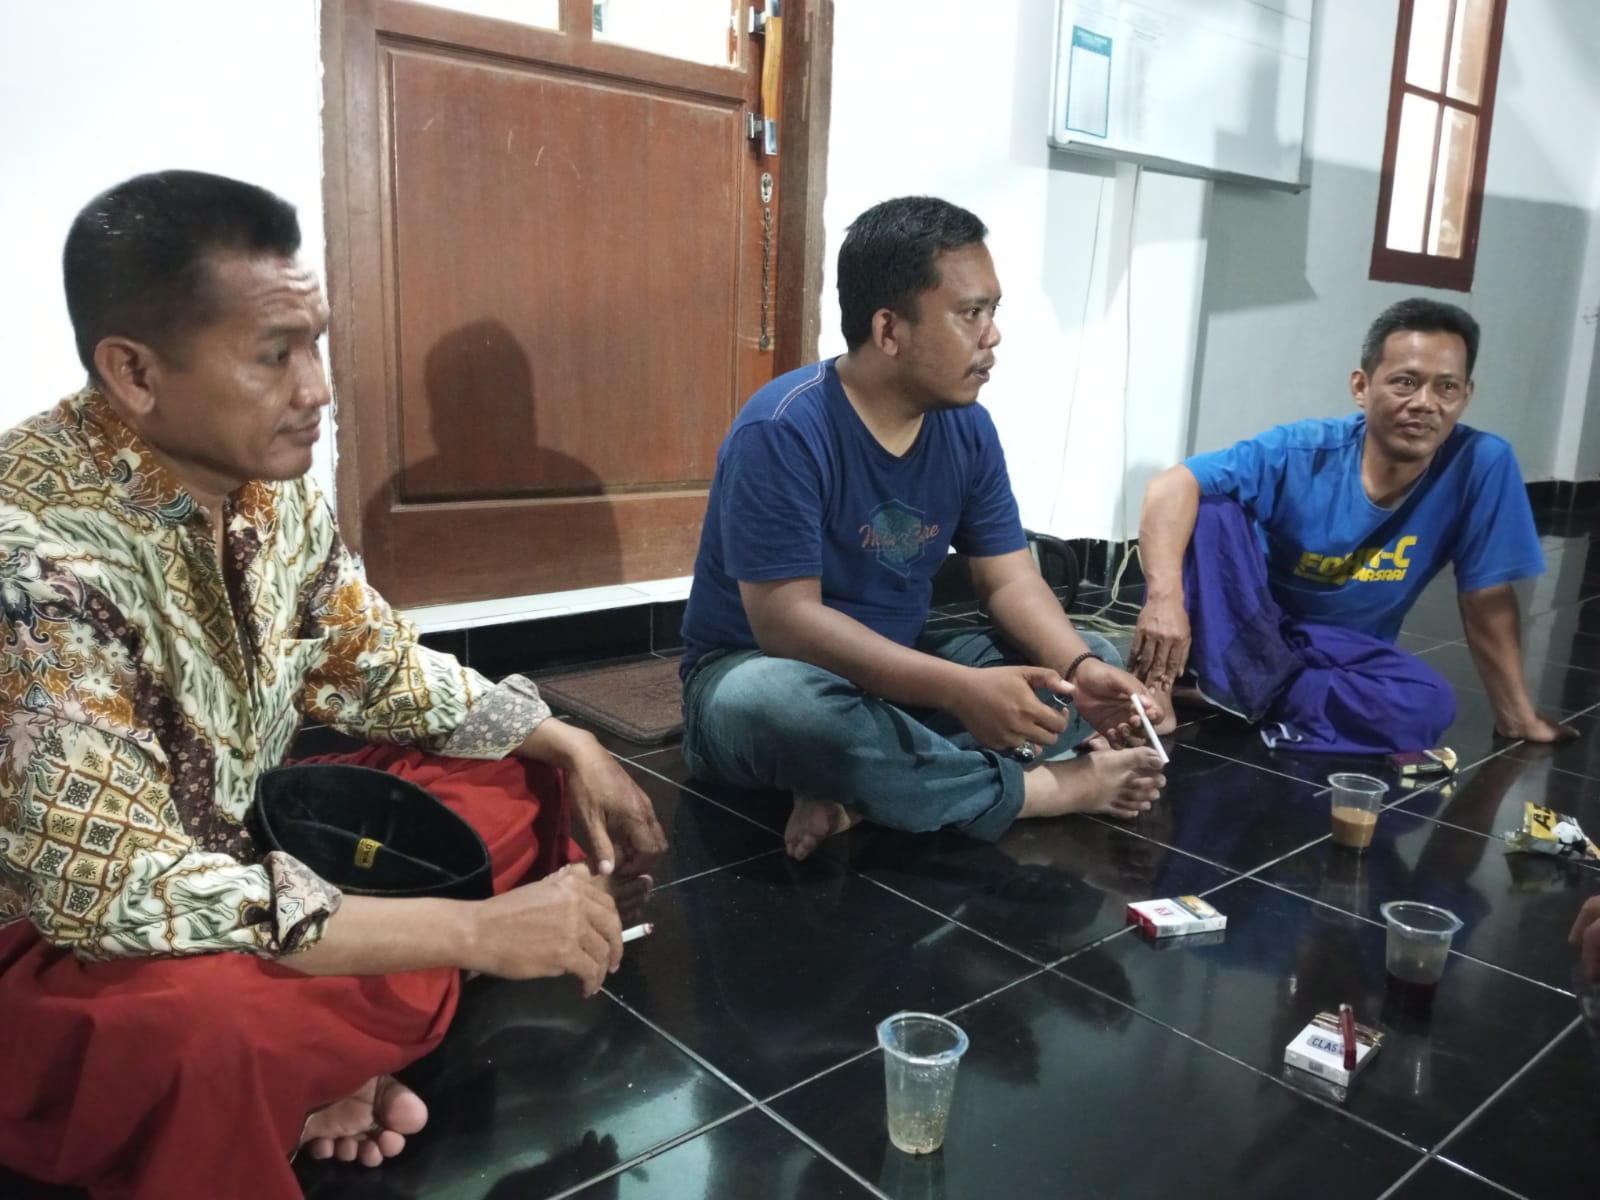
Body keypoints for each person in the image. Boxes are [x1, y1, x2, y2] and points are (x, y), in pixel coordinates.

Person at [0, 170, 667, 1199]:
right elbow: (121, 894)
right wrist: (475, 933)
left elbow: (371, 660)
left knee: (511, 777)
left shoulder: (268, 487)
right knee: (203, 1028)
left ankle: (316, 1070)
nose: (317, 389)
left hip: (261, 847)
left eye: (316, 344)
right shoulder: (31, 560)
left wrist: (564, 739)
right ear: (133, 371)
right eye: (276, 354)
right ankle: (322, 1058)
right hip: (75, 940)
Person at [678, 196, 1167, 862]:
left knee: (1087, 664)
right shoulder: (783, 428)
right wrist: (960, 691)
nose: (993, 335)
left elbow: (1008, 579)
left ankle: (869, 791)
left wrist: (1080, 668)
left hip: (900, 677)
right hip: (761, 679)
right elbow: (786, 625)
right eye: (971, 313)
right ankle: (1042, 790)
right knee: (788, 710)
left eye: (993, 311)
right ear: (889, 329)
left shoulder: (968, 427)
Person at [1131, 297, 1575, 754]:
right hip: (1250, 629)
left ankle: (1233, 691)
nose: (1425, 403)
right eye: (1405, 382)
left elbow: (1487, 596)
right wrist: (1164, 603)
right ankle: (1164, 688)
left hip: (1340, 650)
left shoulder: (1481, 463)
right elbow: (1170, 485)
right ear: (1361, 387)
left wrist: (1516, 716)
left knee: (1429, 704)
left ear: (1466, 395)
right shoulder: (1303, 449)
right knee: (1209, 506)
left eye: (1446, 387)